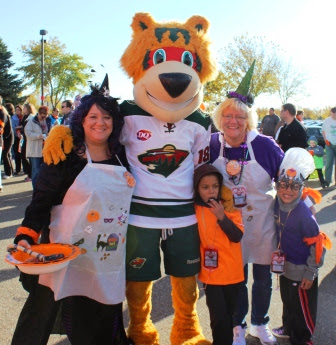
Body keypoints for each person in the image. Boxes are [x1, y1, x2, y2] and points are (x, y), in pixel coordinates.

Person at [11, 77, 134, 345]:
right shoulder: (65, 155)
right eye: (93, 116)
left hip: (105, 257)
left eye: (107, 117)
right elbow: (41, 201)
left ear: (115, 123)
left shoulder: (123, 156)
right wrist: (26, 236)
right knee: (40, 316)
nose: (100, 123)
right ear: (81, 120)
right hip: (62, 254)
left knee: (100, 321)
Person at [210, 61, 283, 345]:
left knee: (262, 278)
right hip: (230, 225)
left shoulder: (265, 145)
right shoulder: (213, 144)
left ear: (249, 120)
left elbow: (287, 179)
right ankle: (237, 326)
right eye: (228, 115)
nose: (233, 121)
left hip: (262, 222)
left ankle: (259, 324)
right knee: (235, 278)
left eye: (240, 117)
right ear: (219, 118)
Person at [271, 148, 331, 344]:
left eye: (294, 187)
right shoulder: (277, 204)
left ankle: (303, 337)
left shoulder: (304, 214)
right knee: (288, 302)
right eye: (283, 185)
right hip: (286, 266)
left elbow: (318, 244)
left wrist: (310, 273)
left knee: (301, 308)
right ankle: (288, 329)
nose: (288, 191)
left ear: (301, 188)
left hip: (303, 270)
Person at [193, 164, 244, 345]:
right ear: (197, 189)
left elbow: (237, 236)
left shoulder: (229, 207)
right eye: (205, 187)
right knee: (218, 317)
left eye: (215, 186)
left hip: (232, 273)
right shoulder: (195, 209)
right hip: (211, 275)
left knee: (229, 315)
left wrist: (222, 216)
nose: (211, 191)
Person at [24, 106, 52, 188]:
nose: (43, 118)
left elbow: (51, 130)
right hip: (35, 150)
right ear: (38, 113)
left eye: (45, 116)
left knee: (45, 170)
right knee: (35, 170)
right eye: (42, 116)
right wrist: (38, 136)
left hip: (45, 149)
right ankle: (36, 188)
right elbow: (28, 133)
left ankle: (43, 187)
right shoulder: (32, 121)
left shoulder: (48, 121)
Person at [21, 103, 36, 182]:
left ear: (28, 108)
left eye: (25, 108)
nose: (23, 109)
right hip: (25, 139)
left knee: (29, 158)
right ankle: (29, 173)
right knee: (24, 156)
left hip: (30, 140)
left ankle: (30, 175)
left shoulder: (31, 117)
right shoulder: (25, 117)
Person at [322, 107, 336, 188]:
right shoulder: (327, 121)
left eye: (334, 115)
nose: (333, 116)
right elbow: (323, 131)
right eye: (332, 114)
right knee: (329, 162)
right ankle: (327, 181)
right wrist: (325, 139)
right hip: (329, 144)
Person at [1, 98, 14, 180]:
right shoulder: (3, 112)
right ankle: (11, 172)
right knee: (7, 155)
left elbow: (4, 128)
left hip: (7, 137)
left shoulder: (2, 113)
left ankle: (8, 173)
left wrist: (5, 138)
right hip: (7, 137)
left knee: (5, 154)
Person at [11, 104, 24, 175]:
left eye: (19, 110)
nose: (17, 111)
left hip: (23, 137)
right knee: (16, 154)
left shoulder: (24, 117)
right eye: (16, 110)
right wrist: (18, 133)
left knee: (23, 154)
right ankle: (18, 169)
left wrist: (21, 131)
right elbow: (13, 127)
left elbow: (25, 126)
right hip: (16, 137)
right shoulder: (13, 117)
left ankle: (25, 169)